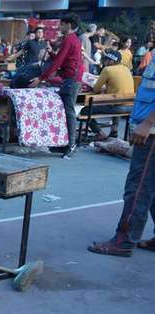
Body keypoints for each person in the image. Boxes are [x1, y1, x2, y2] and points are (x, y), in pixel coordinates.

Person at [88, 59, 155, 257]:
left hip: (151, 132)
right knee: (151, 188)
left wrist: (148, 123)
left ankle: (124, 240)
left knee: (138, 188)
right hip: (148, 127)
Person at [29, 15, 83, 158]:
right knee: (65, 111)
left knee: (69, 112)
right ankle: (64, 144)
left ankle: (71, 145)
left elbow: (59, 62)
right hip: (71, 78)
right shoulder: (72, 39)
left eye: (62, 24)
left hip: (72, 79)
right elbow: (62, 59)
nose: (59, 27)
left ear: (69, 25)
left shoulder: (69, 39)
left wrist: (42, 77)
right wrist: (52, 53)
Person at [79, 49, 134, 140]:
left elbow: (96, 89)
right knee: (117, 101)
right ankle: (114, 131)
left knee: (85, 111)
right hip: (130, 106)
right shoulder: (126, 69)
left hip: (117, 107)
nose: (104, 61)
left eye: (106, 60)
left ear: (111, 61)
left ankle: (99, 133)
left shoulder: (107, 69)